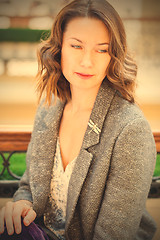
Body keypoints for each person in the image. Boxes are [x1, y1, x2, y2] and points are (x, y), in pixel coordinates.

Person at [0, 0, 157, 239]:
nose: (87, 61)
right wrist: (22, 206)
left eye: (101, 49)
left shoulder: (130, 129)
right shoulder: (49, 107)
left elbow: (112, 235)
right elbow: (28, 188)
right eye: (76, 46)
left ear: (113, 56)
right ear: (59, 47)